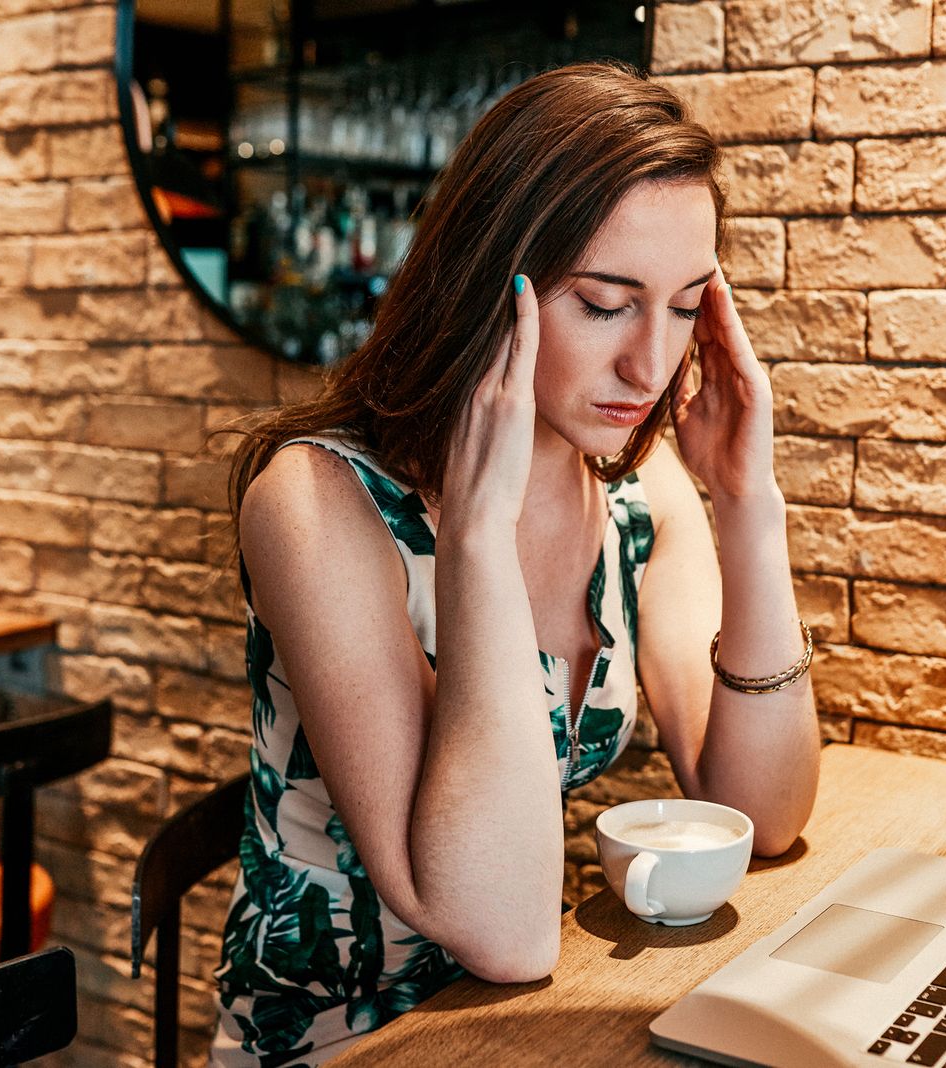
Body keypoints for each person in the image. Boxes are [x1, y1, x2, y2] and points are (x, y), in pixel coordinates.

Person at [211, 61, 821, 1066]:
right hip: (339, 1046)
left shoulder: (638, 490)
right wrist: (480, 541)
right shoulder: (318, 502)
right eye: (604, 302)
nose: (648, 365)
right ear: (490, 282)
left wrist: (749, 505)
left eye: (683, 308)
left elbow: (763, 814)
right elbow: (500, 931)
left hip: (529, 1032)